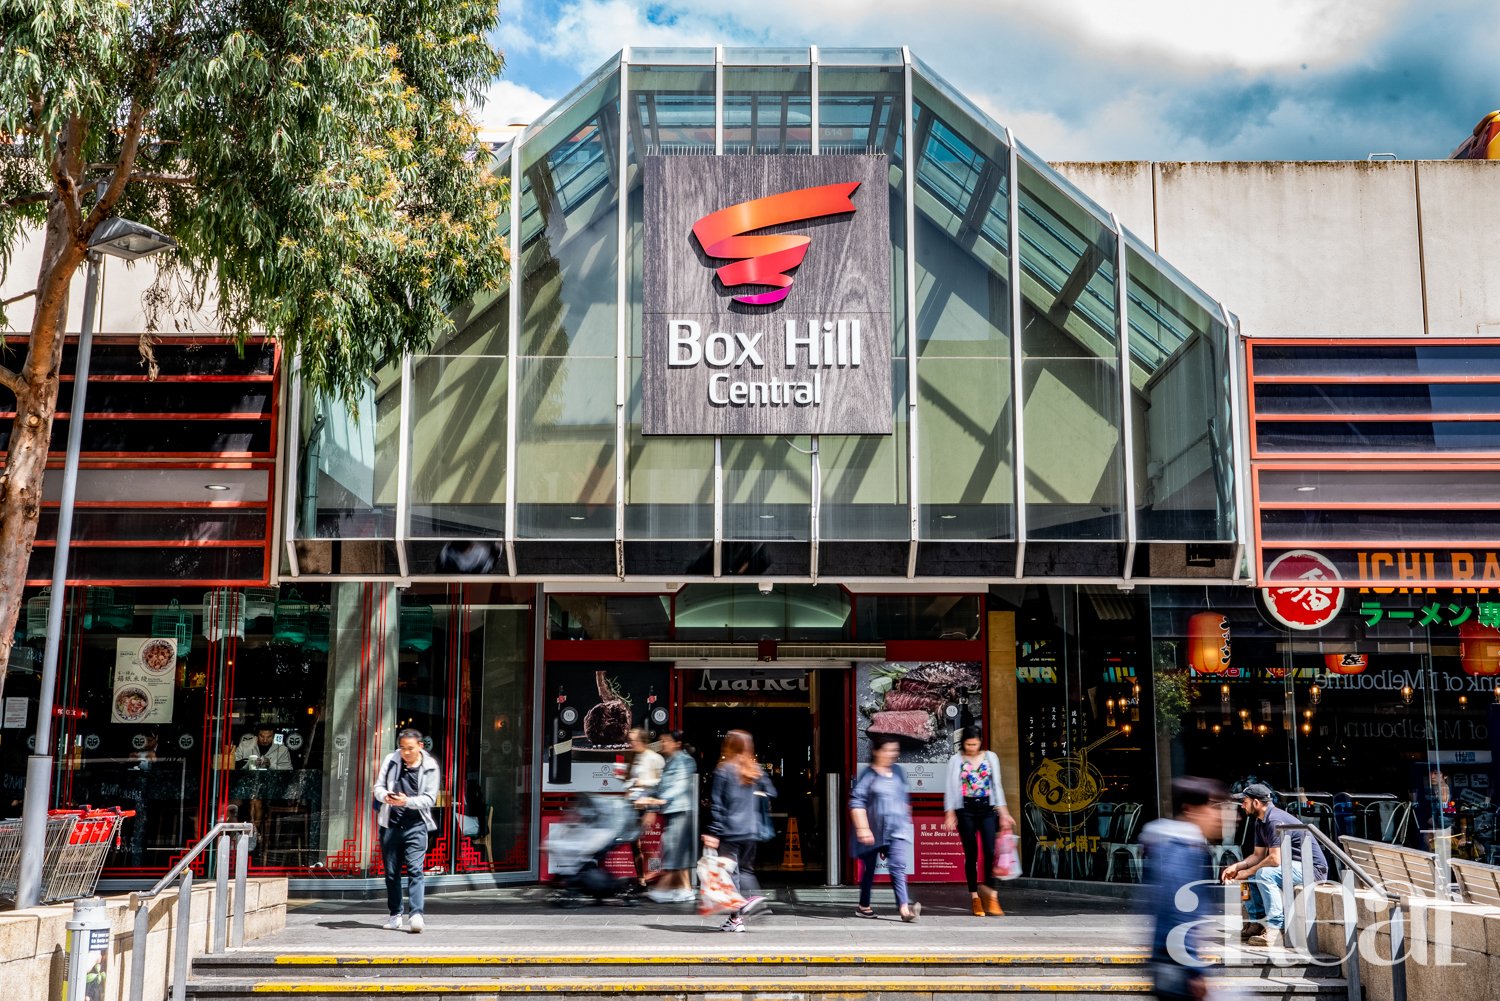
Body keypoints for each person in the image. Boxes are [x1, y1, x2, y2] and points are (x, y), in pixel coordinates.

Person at [1143, 776, 1227, 1001]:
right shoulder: (1181, 851)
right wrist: (1193, 969)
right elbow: (1177, 910)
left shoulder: (1185, 847)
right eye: (1214, 806)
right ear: (1190, 810)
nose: (1222, 816)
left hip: (1171, 964)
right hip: (1176, 970)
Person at [1220, 783, 1328, 948]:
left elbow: (1275, 859)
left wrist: (1248, 871)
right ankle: (1257, 923)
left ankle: (1276, 928)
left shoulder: (1274, 820)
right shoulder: (1260, 821)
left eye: (1245, 801)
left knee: (1264, 874)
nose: (1242, 805)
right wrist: (1238, 867)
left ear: (1256, 803)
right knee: (1249, 876)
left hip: (1312, 870)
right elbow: (1258, 855)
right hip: (1291, 866)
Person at [702, 729, 775, 932]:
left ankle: (739, 913)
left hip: (730, 831)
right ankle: (751, 901)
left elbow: (717, 804)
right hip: (751, 830)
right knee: (745, 870)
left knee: (730, 875)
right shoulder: (755, 770)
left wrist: (713, 831)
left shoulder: (723, 770)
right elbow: (771, 792)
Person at [373, 729, 440, 933]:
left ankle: (416, 914)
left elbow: (430, 799)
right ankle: (395, 914)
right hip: (390, 825)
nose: (406, 752)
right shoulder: (391, 760)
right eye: (402, 748)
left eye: (410, 748)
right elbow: (378, 787)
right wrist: (386, 796)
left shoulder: (430, 767)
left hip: (416, 825)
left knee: (415, 870)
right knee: (391, 873)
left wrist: (406, 801)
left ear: (420, 746)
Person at [943, 726, 1015, 917]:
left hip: (987, 810)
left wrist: (1004, 812)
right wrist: (950, 813)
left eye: (975, 744)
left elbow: (997, 785)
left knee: (991, 851)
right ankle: (975, 896)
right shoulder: (956, 760)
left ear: (980, 742)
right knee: (971, 854)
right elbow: (950, 788)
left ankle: (991, 893)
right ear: (963, 743)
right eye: (968, 744)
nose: (971, 748)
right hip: (965, 810)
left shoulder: (991, 757)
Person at [850, 738, 920, 922]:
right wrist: (863, 828)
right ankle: (863, 906)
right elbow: (857, 802)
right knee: (869, 870)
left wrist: (905, 817)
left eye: (894, 750)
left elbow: (904, 798)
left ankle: (904, 909)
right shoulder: (868, 774)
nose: (892, 754)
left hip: (896, 830)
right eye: (888, 750)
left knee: (898, 867)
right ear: (876, 751)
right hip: (872, 831)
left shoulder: (898, 772)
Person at [643, 730, 697, 903]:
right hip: (672, 810)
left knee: (673, 849)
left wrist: (660, 799)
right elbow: (661, 785)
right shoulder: (670, 761)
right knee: (677, 851)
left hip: (680, 810)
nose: (663, 744)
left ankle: (665, 889)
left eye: (665, 741)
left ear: (677, 744)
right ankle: (684, 889)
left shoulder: (684, 761)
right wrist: (652, 800)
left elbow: (680, 785)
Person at [625, 727, 665, 889]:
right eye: (630, 740)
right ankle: (641, 879)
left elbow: (661, 782)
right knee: (635, 844)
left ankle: (656, 876)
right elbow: (632, 781)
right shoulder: (634, 757)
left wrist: (651, 809)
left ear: (642, 740)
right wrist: (629, 786)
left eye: (633, 740)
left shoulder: (654, 758)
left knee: (649, 844)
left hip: (649, 806)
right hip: (634, 805)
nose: (631, 743)